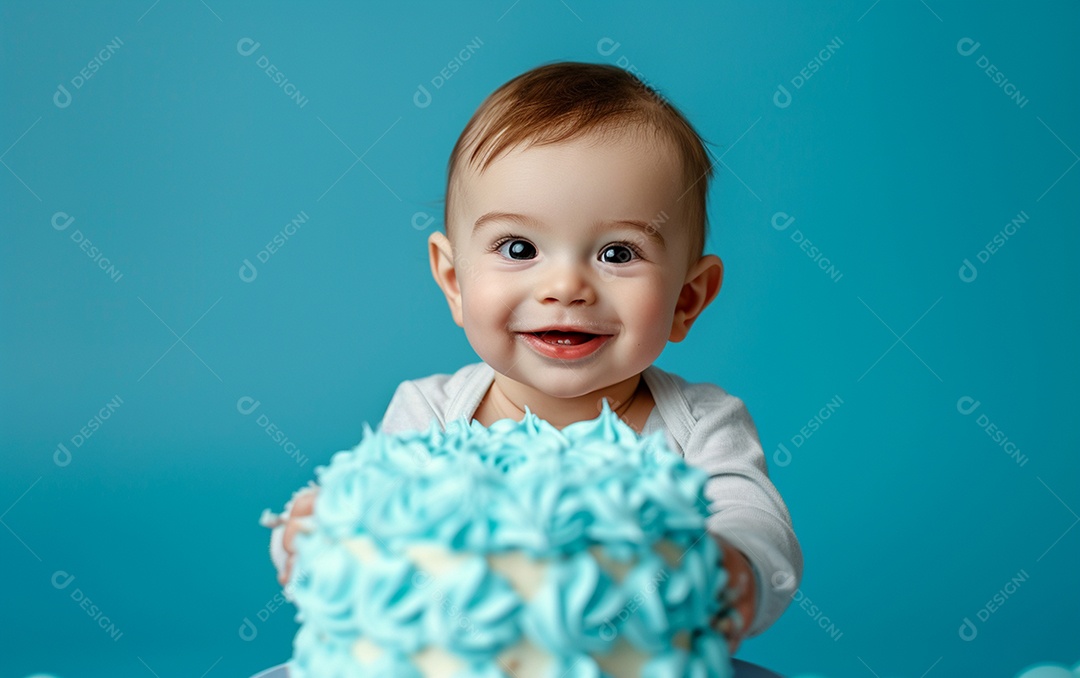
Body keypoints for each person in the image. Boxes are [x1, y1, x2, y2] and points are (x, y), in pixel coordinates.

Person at [266, 61, 802, 654]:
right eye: (519, 248)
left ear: (686, 299)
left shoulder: (700, 426)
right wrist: (317, 534)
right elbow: (363, 526)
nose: (566, 286)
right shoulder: (430, 415)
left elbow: (759, 535)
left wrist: (718, 569)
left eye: (618, 253)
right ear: (453, 280)